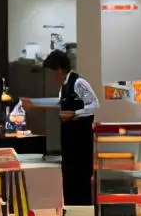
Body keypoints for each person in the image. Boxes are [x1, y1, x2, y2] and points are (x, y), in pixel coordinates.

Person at [21, 50, 98, 206]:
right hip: (69, 140)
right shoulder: (64, 86)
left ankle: (82, 206)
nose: (51, 77)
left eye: (51, 72)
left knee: (79, 176)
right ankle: (70, 205)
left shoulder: (79, 83)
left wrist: (75, 113)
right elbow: (59, 102)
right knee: (68, 174)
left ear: (59, 69)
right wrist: (34, 103)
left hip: (81, 141)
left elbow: (94, 105)